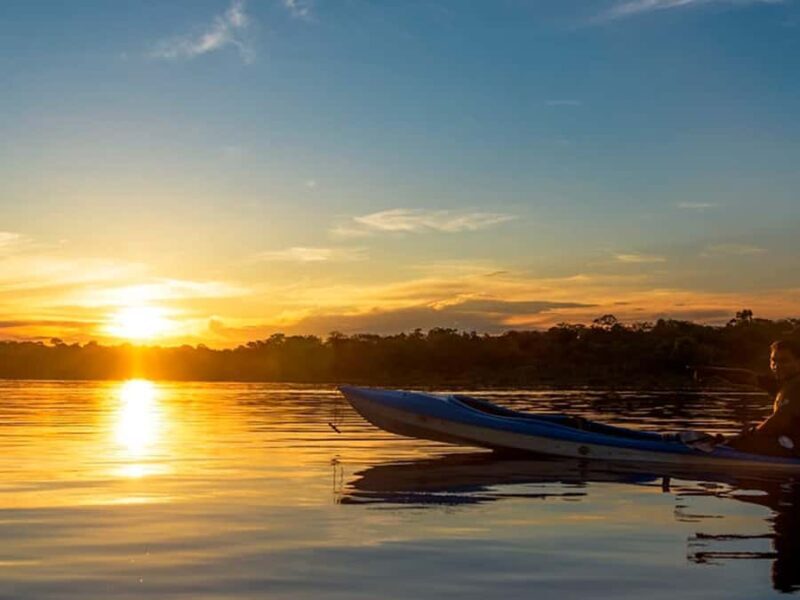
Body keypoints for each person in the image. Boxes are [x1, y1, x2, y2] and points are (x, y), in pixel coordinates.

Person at [696, 339, 800, 457]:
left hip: (795, 449)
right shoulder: (784, 384)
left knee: (744, 441)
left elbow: (780, 421)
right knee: (740, 439)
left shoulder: (797, 386)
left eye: (784, 361)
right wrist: (714, 372)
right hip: (788, 442)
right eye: (773, 361)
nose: (777, 366)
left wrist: (750, 434)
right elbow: (748, 377)